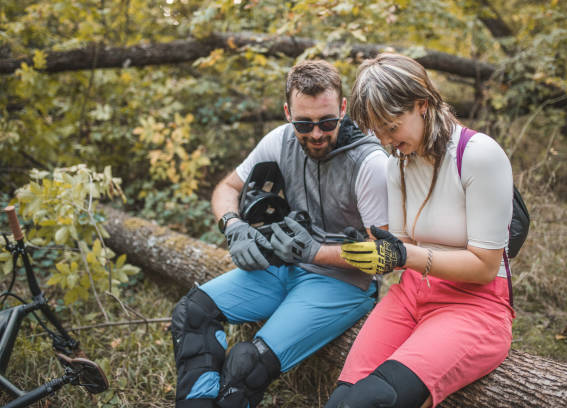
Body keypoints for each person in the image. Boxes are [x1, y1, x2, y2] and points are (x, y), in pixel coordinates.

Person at [170, 60, 389, 408]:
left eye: (327, 122)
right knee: (192, 313)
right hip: (284, 266)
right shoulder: (281, 140)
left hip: (343, 282)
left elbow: (384, 256)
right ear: (288, 112)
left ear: (343, 108)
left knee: (246, 366)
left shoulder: (370, 162)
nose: (316, 134)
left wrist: (313, 252)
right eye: (304, 123)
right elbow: (227, 187)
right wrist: (234, 225)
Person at [325, 53, 515, 408]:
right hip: (411, 296)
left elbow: (486, 266)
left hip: (475, 306)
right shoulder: (397, 164)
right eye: (377, 132)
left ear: (422, 105)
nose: (385, 141)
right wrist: (376, 253)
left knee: (373, 401)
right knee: (342, 402)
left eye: (391, 127)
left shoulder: (479, 156)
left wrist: (404, 254)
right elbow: (403, 247)